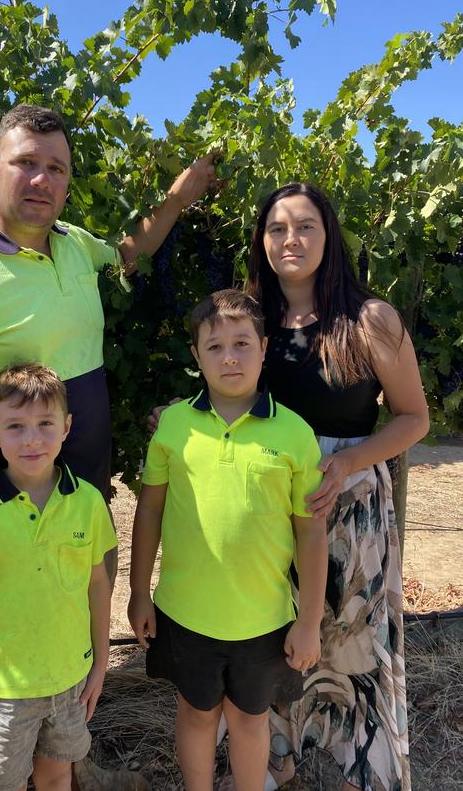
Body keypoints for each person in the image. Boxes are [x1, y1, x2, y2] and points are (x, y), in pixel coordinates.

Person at [0, 103, 214, 790]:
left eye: (55, 167)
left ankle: (64, 762)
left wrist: (181, 197)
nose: (40, 178)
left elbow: (129, 251)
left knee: (67, 641)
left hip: (79, 505)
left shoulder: (74, 245)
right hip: (0, 522)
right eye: (25, 162)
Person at [224, 183, 429, 791]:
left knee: (354, 649)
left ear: (328, 236)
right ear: (261, 241)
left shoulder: (370, 319)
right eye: (277, 228)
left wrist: (347, 462)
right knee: (272, 639)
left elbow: (413, 417)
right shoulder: (250, 318)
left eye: (305, 226)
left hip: (347, 508)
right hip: (267, 509)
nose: (291, 239)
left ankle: (361, 771)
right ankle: (277, 760)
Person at [129, 289, 329, 791]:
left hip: (262, 620)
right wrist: (136, 593)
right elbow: (149, 510)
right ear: (196, 356)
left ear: (264, 348)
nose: (230, 357)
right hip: (186, 613)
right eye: (214, 347)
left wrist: (308, 621)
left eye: (242, 343)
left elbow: (310, 533)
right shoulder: (173, 426)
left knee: (249, 721)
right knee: (197, 716)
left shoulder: (295, 434)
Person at [0, 362, 116, 791]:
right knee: (5, 783)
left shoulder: (89, 502)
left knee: (58, 772)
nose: (32, 438)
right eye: (16, 426)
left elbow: (98, 586)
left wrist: (100, 664)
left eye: (45, 423)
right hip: (5, 688)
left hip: (72, 681)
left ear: (67, 426)